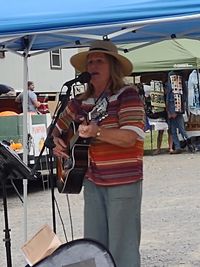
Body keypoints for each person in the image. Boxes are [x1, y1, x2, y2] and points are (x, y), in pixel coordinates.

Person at [52, 40, 145, 267]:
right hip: (92, 180)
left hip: (123, 180)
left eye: (99, 61)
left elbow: (130, 137)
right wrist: (57, 141)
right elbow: (56, 129)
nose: (92, 65)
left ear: (112, 66)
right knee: (93, 247)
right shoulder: (79, 103)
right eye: (90, 61)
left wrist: (98, 131)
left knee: (122, 247)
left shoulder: (127, 95)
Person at [166, 71, 194, 154]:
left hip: (177, 110)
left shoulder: (180, 84)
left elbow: (183, 97)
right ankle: (178, 147)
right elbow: (167, 99)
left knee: (182, 129)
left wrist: (176, 111)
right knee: (173, 131)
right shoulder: (169, 85)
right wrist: (168, 112)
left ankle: (190, 144)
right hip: (170, 111)